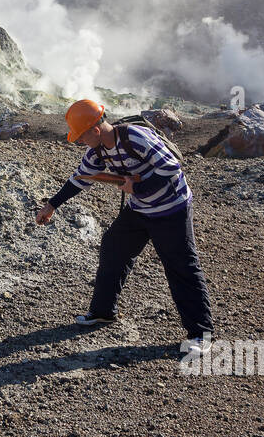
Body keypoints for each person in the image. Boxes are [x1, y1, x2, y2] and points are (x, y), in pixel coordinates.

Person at [35, 99, 213, 355]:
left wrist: (137, 188)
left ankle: (201, 335)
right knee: (113, 248)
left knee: (181, 266)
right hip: (140, 209)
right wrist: (52, 205)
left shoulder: (135, 137)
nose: (80, 142)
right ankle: (103, 312)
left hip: (171, 209)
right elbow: (80, 178)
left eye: (81, 137)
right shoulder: (98, 150)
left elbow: (172, 168)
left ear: (95, 130)